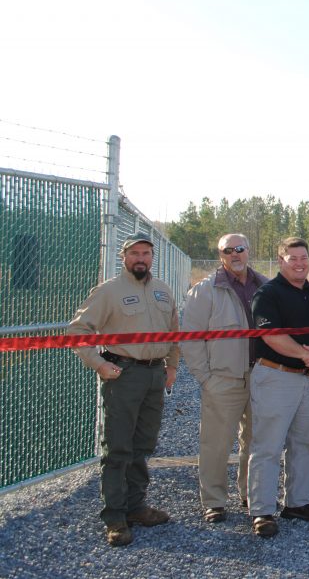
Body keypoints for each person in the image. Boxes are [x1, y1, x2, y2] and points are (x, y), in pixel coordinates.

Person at [68, 233, 180, 547]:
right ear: (124, 257)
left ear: (152, 257)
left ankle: (137, 507)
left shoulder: (162, 291)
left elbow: (174, 333)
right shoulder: (109, 292)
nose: (141, 258)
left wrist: (171, 367)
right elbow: (78, 331)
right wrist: (100, 365)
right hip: (123, 374)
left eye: (146, 253)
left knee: (142, 445)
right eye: (135, 253)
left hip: (154, 375)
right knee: (117, 448)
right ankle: (115, 517)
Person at [247, 237, 309, 538]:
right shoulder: (268, 293)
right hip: (277, 377)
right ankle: (262, 511)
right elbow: (271, 335)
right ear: (280, 261)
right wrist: (307, 355)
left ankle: (297, 503)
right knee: (268, 447)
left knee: (307, 444)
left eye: (304, 257)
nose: (300, 263)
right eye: (292, 258)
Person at [182, 233, 268, 523]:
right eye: (227, 250)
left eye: (240, 249)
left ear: (248, 251)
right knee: (216, 444)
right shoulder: (205, 291)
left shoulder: (266, 286)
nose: (235, 254)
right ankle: (214, 501)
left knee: (257, 443)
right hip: (223, 380)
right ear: (220, 256)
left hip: (261, 378)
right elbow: (191, 340)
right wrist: (206, 378)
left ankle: (251, 495)